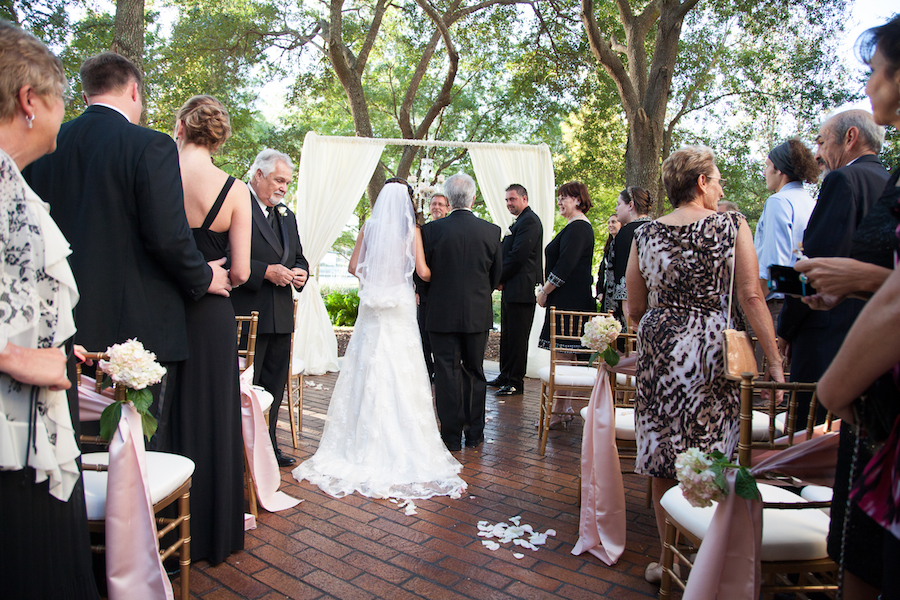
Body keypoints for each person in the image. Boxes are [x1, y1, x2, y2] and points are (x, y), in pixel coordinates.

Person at [23, 51, 231, 452]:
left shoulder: (47, 144)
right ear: (134, 90)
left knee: (69, 443)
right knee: (137, 453)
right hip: (137, 329)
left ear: (85, 96)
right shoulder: (150, 145)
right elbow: (168, 237)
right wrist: (205, 276)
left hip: (61, 326)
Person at [625, 145, 784, 584]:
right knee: (712, 449)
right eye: (716, 179)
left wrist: (663, 328)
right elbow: (752, 297)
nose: (720, 187)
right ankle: (713, 561)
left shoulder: (644, 234)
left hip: (660, 348)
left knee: (662, 454)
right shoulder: (731, 225)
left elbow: (634, 307)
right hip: (712, 350)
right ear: (700, 183)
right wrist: (773, 360)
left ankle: (669, 560)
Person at [793, 18, 900, 599]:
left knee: (861, 540)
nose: (820, 152)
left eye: (875, 70)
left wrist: (832, 386)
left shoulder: (841, 183)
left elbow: (829, 258)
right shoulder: (888, 175)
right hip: (870, 360)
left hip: (862, 369)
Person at [0, 20, 99, 599]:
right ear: (29, 101)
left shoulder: (15, 180)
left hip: (34, 430)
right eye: (62, 99)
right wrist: (14, 356)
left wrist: (57, 345)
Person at [292, 181, 465, 498]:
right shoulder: (412, 231)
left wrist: (375, 281)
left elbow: (353, 266)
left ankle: (361, 441)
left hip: (373, 306)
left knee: (367, 366)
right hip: (398, 304)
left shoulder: (368, 227)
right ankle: (404, 439)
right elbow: (424, 273)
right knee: (402, 368)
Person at [169, 95, 250, 564]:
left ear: (180, 126)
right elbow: (239, 271)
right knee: (215, 415)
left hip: (167, 309)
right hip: (214, 314)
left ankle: (165, 524)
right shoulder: (234, 189)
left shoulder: (157, 176)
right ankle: (213, 532)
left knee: (169, 411)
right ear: (218, 137)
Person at [230, 149, 308, 467]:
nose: (283, 188)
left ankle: (269, 447)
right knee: (246, 387)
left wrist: (301, 273)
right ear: (258, 175)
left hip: (280, 317)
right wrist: (265, 272)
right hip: (248, 314)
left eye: (287, 183)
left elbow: (299, 256)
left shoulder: (287, 215)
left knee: (274, 386)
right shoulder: (237, 205)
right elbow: (225, 255)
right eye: (278, 180)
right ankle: (238, 452)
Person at [421, 173, 502, 451]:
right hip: (477, 313)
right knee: (475, 371)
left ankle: (451, 437)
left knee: (445, 373)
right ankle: (476, 433)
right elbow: (495, 277)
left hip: (441, 313)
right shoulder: (492, 231)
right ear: (473, 199)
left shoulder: (430, 231)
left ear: (448, 200)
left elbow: (422, 276)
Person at [536, 181, 596, 426]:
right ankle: (565, 406)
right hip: (567, 299)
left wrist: (544, 291)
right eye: (559, 197)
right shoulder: (574, 227)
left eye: (565, 198)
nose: (560, 202)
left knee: (562, 357)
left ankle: (559, 410)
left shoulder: (579, 228)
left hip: (569, 300)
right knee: (566, 356)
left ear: (579, 200)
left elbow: (565, 267)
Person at [489, 184, 543, 397]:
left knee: (518, 338)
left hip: (522, 289)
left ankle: (515, 382)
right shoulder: (520, 221)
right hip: (512, 288)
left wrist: (498, 278)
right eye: (507, 200)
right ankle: (505, 375)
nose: (509, 204)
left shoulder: (530, 221)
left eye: (512, 199)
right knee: (508, 336)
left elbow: (518, 256)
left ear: (524, 198)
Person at [604, 186, 652, 330]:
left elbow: (624, 284)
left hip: (631, 317)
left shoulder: (627, 233)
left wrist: (631, 324)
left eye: (619, 204)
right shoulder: (656, 228)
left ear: (630, 205)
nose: (616, 208)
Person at [414, 191, 449, 379]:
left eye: (441, 204)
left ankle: (442, 370)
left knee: (442, 335)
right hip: (426, 292)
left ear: (447, 208)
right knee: (424, 332)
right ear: (429, 208)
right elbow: (416, 261)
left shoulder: (451, 230)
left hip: (446, 292)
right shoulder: (423, 231)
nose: (437, 207)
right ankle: (427, 370)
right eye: (433, 204)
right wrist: (419, 290)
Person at [596, 213, 620, 309]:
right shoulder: (608, 247)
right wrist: (600, 292)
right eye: (609, 222)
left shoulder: (622, 245)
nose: (610, 225)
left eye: (614, 222)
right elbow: (602, 271)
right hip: (606, 293)